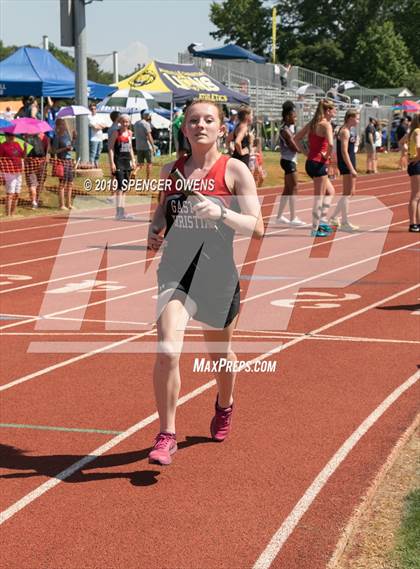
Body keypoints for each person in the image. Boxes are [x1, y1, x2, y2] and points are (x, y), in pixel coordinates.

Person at [146, 98, 263, 465]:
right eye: (193, 120)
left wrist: (221, 211)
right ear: (184, 128)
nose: (200, 125)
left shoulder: (235, 171)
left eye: (208, 120)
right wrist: (154, 231)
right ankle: (166, 434)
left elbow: (257, 227)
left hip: (217, 275)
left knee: (220, 357)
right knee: (167, 348)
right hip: (176, 272)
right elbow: (161, 212)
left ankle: (224, 403)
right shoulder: (171, 171)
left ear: (221, 128)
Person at [295, 98, 337, 237]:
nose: (335, 111)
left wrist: (307, 153)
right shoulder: (326, 125)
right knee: (319, 197)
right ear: (328, 111)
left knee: (330, 192)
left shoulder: (313, 123)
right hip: (319, 163)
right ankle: (315, 228)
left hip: (311, 162)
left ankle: (322, 223)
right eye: (333, 109)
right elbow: (331, 144)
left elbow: (296, 138)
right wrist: (326, 157)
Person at [275, 100, 305, 226]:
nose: (296, 118)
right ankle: (293, 217)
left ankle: (279, 216)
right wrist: (304, 149)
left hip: (288, 160)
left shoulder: (288, 129)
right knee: (294, 188)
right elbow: (294, 147)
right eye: (294, 116)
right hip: (289, 161)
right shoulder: (285, 131)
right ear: (288, 116)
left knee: (287, 190)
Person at [329, 110, 360, 232]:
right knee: (347, 193)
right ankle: (344, 222)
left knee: (350, 192)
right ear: (350, 118)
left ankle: (334, 217)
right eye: (356, 118)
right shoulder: (345, 132)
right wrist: (351, 168)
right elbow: (344, 151)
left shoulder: (347, 130)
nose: (358, 120)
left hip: (350, 162)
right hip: (347, 164)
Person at [108, 113, 137, 220]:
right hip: (118, 161)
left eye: (127, 122)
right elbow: (110, 148)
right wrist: (112, 163)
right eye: (123, 121)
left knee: (125, 187)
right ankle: (118, 212)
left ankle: (122, 211)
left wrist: (133, 160)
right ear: (120, 122)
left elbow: (130, 149)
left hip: (127, 162)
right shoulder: (116, 133)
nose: (125, 124)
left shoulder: (129, 133)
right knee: (120, 187)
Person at [51, 118, 76, 210]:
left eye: (64, 124)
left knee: (70, 183)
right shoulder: (57, 137)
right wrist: (65, 149)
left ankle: (68, 204)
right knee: (62, 183)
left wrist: (73, 139)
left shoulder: (67, 135)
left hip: (69, 161)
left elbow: (71, 146)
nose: (64, 126)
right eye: (62, 124)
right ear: (58, 126)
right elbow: (54, 151)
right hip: (62, 161)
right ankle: (62, 204)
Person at [0, 132, 25, 216]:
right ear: (6, 136)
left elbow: (23, 156)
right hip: (8, 172)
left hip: (18, 171)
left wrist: (25, 149)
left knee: (17, 193)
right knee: (10, 193)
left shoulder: (17, 144)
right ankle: (8, 214)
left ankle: (13, 213)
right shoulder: (2, 146)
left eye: (13, 135)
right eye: (10, 136)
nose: (12, 137)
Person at [24, 132, 49, 209]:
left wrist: (25, 150)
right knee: (39, 183)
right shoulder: (39, 139)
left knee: (32, 184)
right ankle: (36, 199)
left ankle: (34, 202)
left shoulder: (27, 141)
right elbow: (45, 152)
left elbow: (25, 156)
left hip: (31, 165)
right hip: (41, 163)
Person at [406, 112, 420, 232]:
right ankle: (413, 223)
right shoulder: (417, 131)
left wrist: (410, 156)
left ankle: (417, 223)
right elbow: (419, 147)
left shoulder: (413, 131)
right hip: (417, 165)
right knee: (416, 196)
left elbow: (401, 142)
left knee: (418, 196)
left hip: (415, 164)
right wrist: (415, 158)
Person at [134, 109, 155, 180]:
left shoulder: (136, 123)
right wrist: (153, 146)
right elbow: (149, 136)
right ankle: (148, 179)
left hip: (138, 146)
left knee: (140, 164)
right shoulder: (146, 124)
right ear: (145, 115)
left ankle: (135, 172)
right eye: (148, 114)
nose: (149, 116)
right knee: (149, 163)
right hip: (147, 146)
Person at [88, 103, 106, 168]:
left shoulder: (99, 116)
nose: (93, 110)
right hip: (93, 138)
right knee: (93, 153)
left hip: (100, 138)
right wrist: (99, 125)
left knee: (98, 152)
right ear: (89, 109)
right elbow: (95, 127)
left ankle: (96, 164)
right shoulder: (88, 117)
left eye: (94, 109)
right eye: (92, 109)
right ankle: (92, 165)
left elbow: (105, 125)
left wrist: (99, 126)